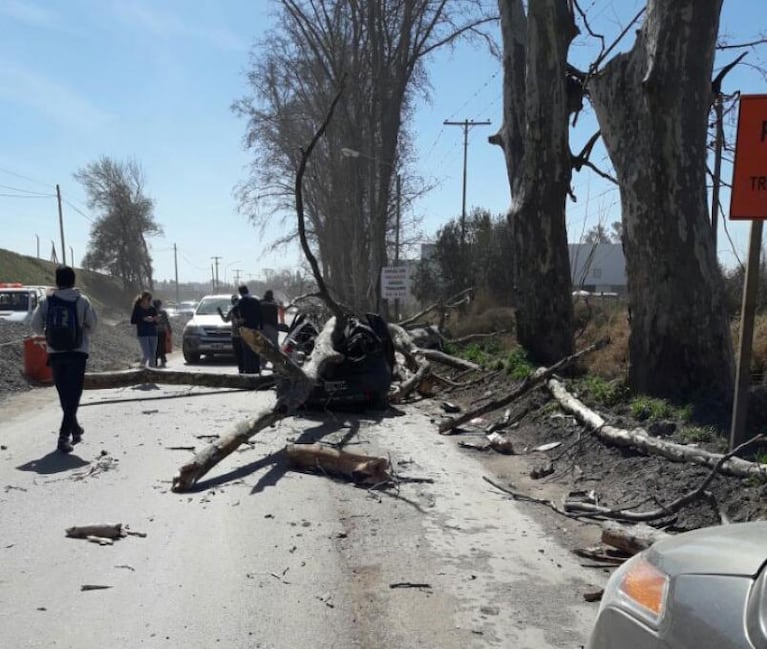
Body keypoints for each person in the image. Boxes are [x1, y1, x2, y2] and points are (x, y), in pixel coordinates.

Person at [31, 265, 98, 454]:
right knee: (74, 395)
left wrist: (49, 333)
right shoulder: (81, 300)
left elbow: (35, 326)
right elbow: (93, 327)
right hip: (77, 352)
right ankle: (63, 437)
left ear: (57, 281)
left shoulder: (46, 300)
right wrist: (81, 328)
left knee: (64, 395)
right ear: (73, 281)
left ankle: (74, 429)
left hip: (55, 353)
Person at [237, 284, 262, 374]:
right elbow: (261, 315)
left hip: (246, 329)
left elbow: (242, 317)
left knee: (247, 350)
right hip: (255, 328)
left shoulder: (242, 302)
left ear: (240, 292)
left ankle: (249, 370)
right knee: (255, 349)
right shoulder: (256, 301)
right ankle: (256, 368)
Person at [217, 294, 245, 373]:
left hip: (242, 335)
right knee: (238, 354)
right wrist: (220, 313)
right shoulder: (233, 310)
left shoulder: (241, 310)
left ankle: (243, 368)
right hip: (236, 335)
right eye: (234, 301)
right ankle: (241, 369)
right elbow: (226, 320)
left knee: (242, 354)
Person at [130, 291, 158, 367]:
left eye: (149, 299)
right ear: (142, 298)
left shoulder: (152, 309)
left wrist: (155, 319)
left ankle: (152, 372)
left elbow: (156, 322)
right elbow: (132, 321)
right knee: (146, 354)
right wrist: (143, 319)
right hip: (142, 333)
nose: (148, 300)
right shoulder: (137, 308)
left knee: (153, 355)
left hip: (153, 333)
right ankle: (140, 369)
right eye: (147, 298)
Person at [153, 299, 171, 368]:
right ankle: (163, 359)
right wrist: (169, 330)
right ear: (160, 305)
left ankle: (156, 360)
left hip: (154, 332)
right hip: (162, 331)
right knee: (162, 345)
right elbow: (167, 322)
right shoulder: (163, 312)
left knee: (156, 346)